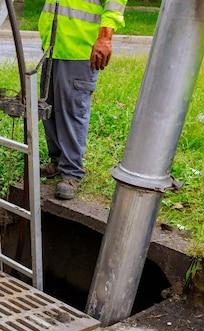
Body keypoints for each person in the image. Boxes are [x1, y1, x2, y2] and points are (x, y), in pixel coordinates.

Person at [38, 0, 127, 200]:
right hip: (53, 45)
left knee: (72, 112)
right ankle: (57, 161)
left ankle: (71, 172)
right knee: (48, 109)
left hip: (80, 47)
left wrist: (105, 37)